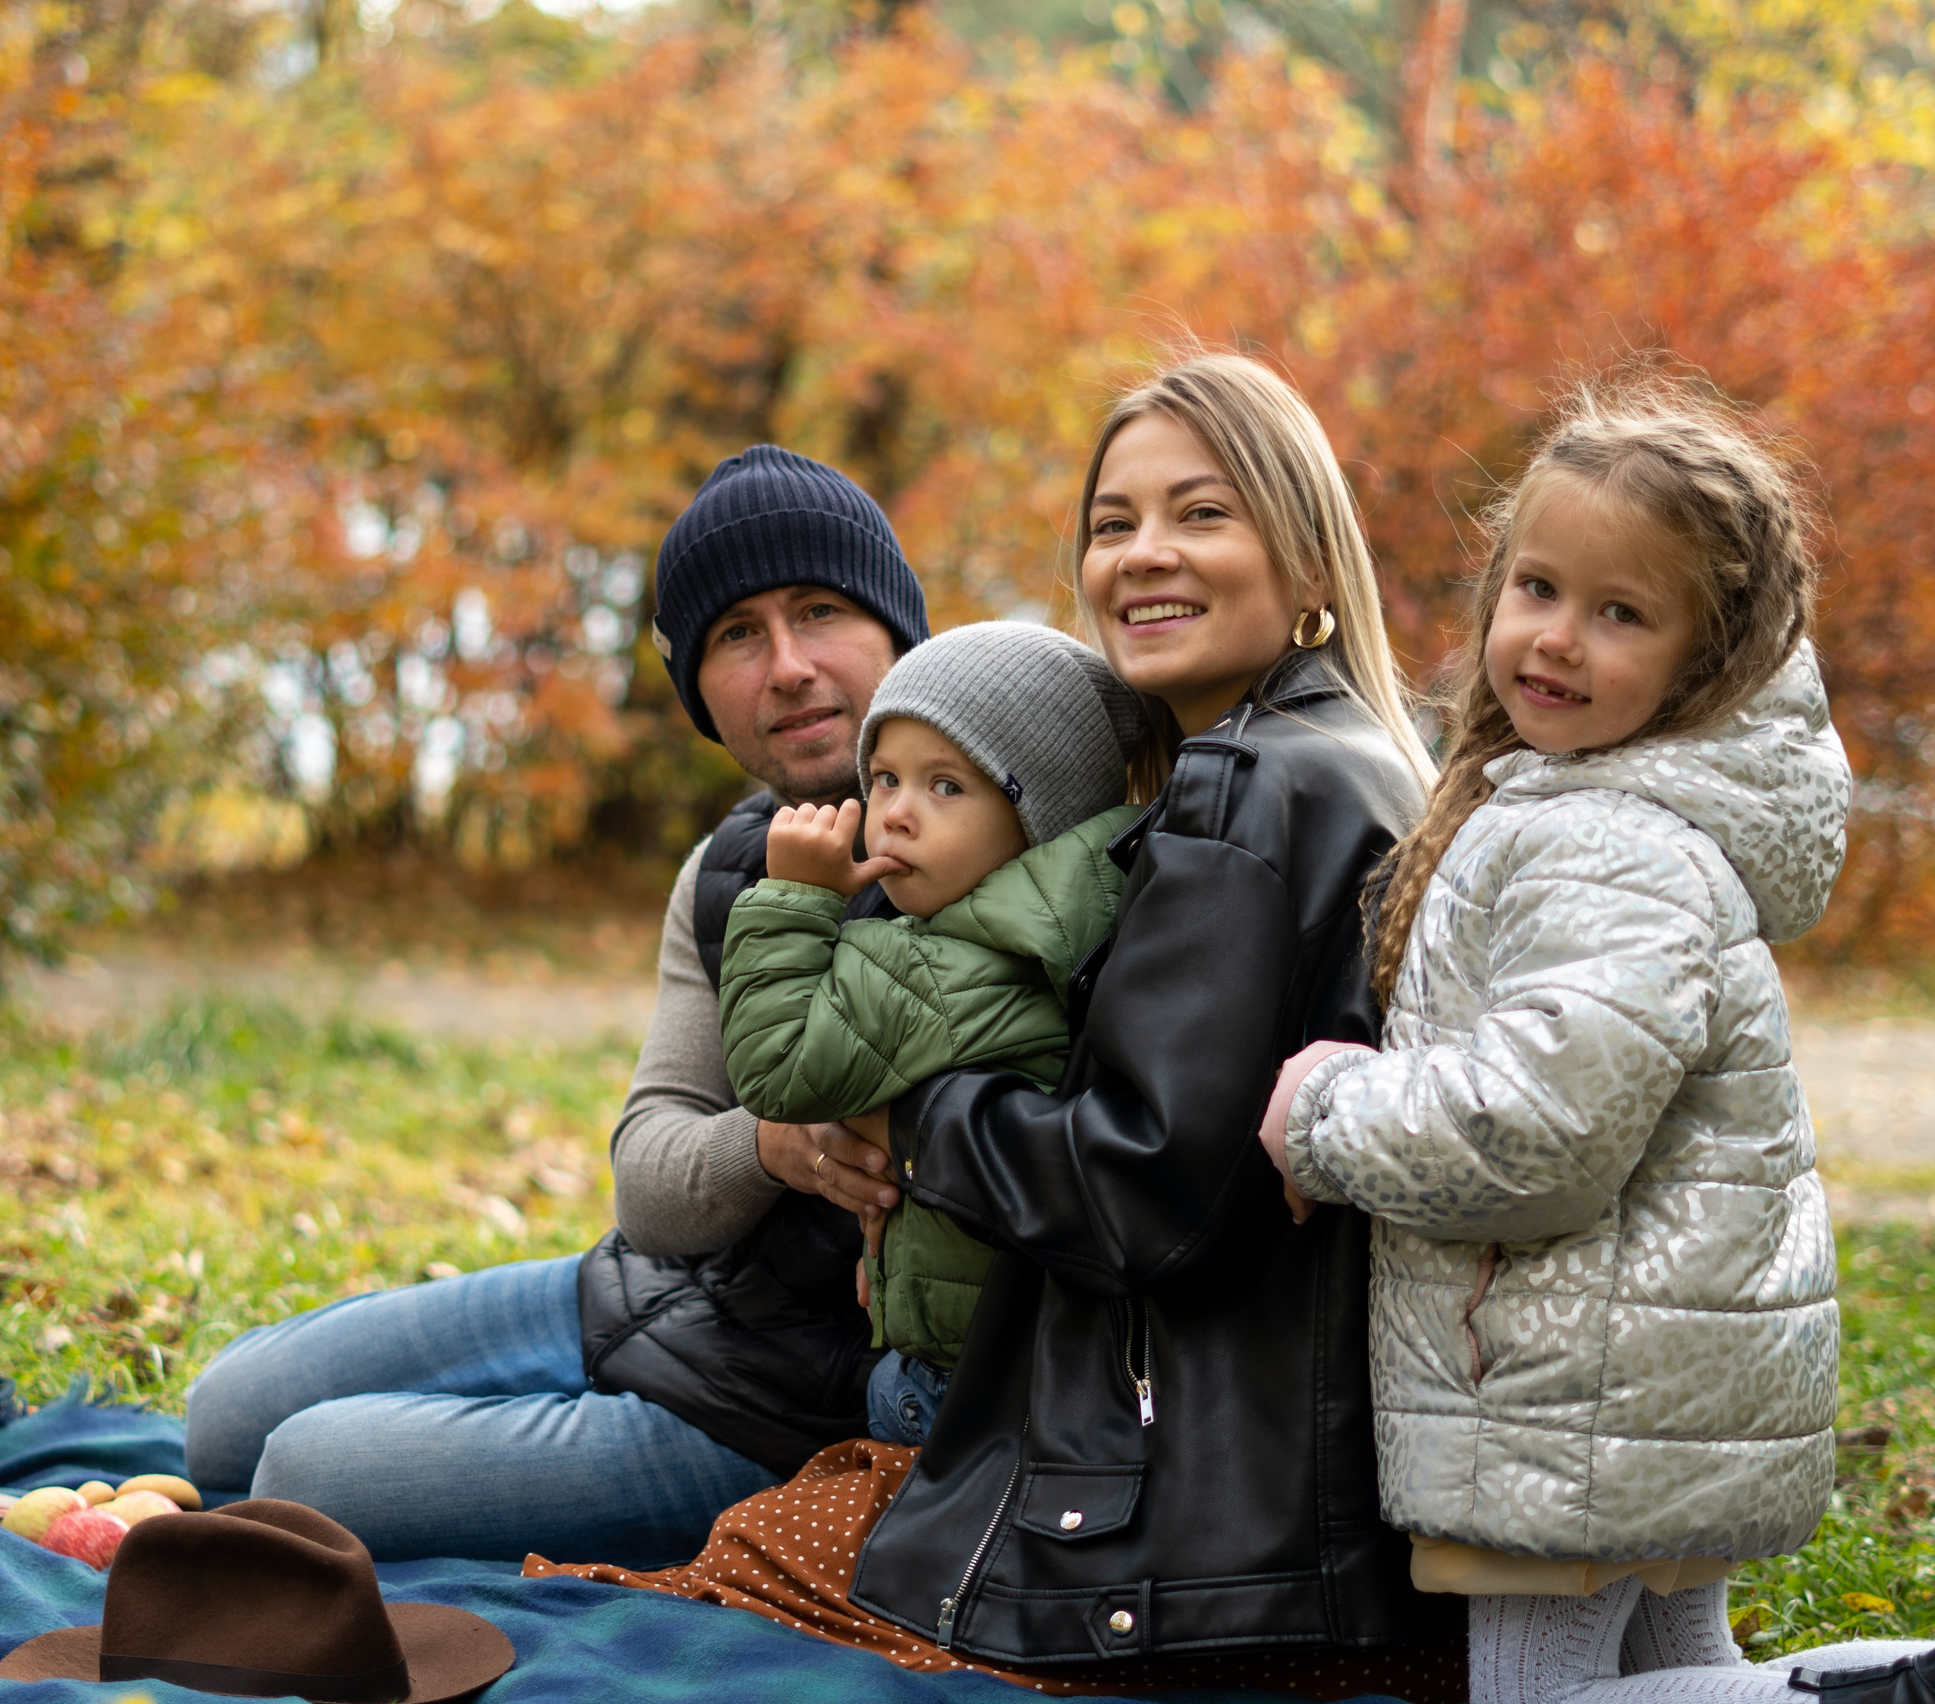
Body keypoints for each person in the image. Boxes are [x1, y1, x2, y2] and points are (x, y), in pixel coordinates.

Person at [1258, 370, 1935, 1704]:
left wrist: (1329, 1108)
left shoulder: (1601, 841)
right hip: (1649, 1370)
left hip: (1566, 1374)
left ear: (1706, 663)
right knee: (1688, 1667)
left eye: (1621, 611)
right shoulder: (1625, 815)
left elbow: (1536, 1132)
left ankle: (1933, 1701)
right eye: (1536, 588)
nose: (1558, 638)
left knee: (1545, 1700)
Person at [815, 350, 1452, 1668]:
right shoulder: (1368, 763)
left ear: (1314, 563)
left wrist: (923, 1110)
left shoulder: (1243, 790)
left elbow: (1140, 1189)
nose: (1144, 554)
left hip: (1182, 1532)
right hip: (1306, 1497)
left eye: (1201, 513)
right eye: (1115, 524)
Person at [181, 444, 928, 1565]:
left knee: (303, 1474)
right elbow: (651, 1179)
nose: (786, 667)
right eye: (736, 634)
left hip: (768, 1410)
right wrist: (772, 1147)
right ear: (696, 691)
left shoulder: (990, 848)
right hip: (644, 1290)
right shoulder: (726, 871)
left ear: (897, 631)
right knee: (221, 1419)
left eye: (819, 610)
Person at [716, 621, 1145, 1392]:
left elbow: (776, 1069)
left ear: (1038, 818)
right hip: (1017, 1360)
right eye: (884, 778)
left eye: (946, 785)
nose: (896, 813)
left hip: (952, 1384)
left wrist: (793, 896)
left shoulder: (947, 963)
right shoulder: (1053, 926)